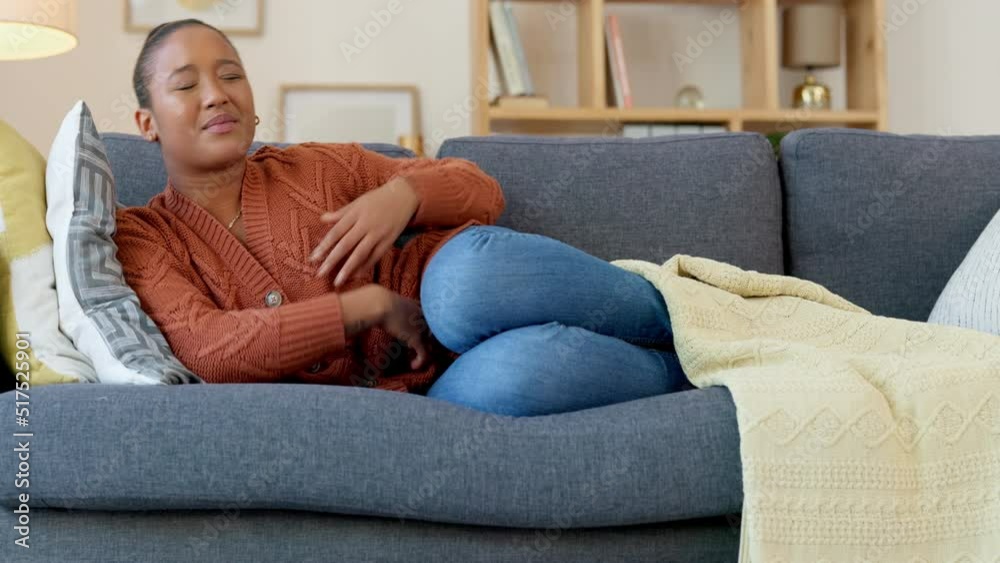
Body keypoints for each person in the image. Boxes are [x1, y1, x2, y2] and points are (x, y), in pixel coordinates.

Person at [115, 19, 690, 417]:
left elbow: (481, 190)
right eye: (186, 85)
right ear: (146, 124)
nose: (217, 95)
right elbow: (209, 350)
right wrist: (362, 307)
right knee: (522, 373)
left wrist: (404, 195)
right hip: (437, 386)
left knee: (464, 288)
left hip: (459, 287)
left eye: (231, 75)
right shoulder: (144, 236)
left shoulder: (317, 166)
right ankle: (688, 370)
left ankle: (687, 317)